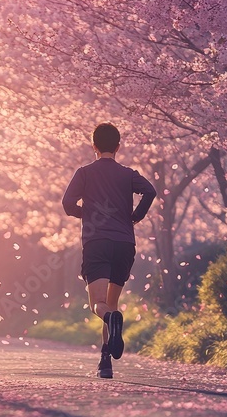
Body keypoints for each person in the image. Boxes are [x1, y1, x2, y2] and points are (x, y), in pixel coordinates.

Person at [62, 123, 157, 379]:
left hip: (97, 242)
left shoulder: (84, 173)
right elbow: (150, 191)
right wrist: (134, 217)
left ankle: (112, 325)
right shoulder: (127, 174)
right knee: (112, 303)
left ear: (93, 145)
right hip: (125, 244)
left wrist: (87, 214)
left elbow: (67, 203)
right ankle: (105, 363)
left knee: (99, 305)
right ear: (118, 147)